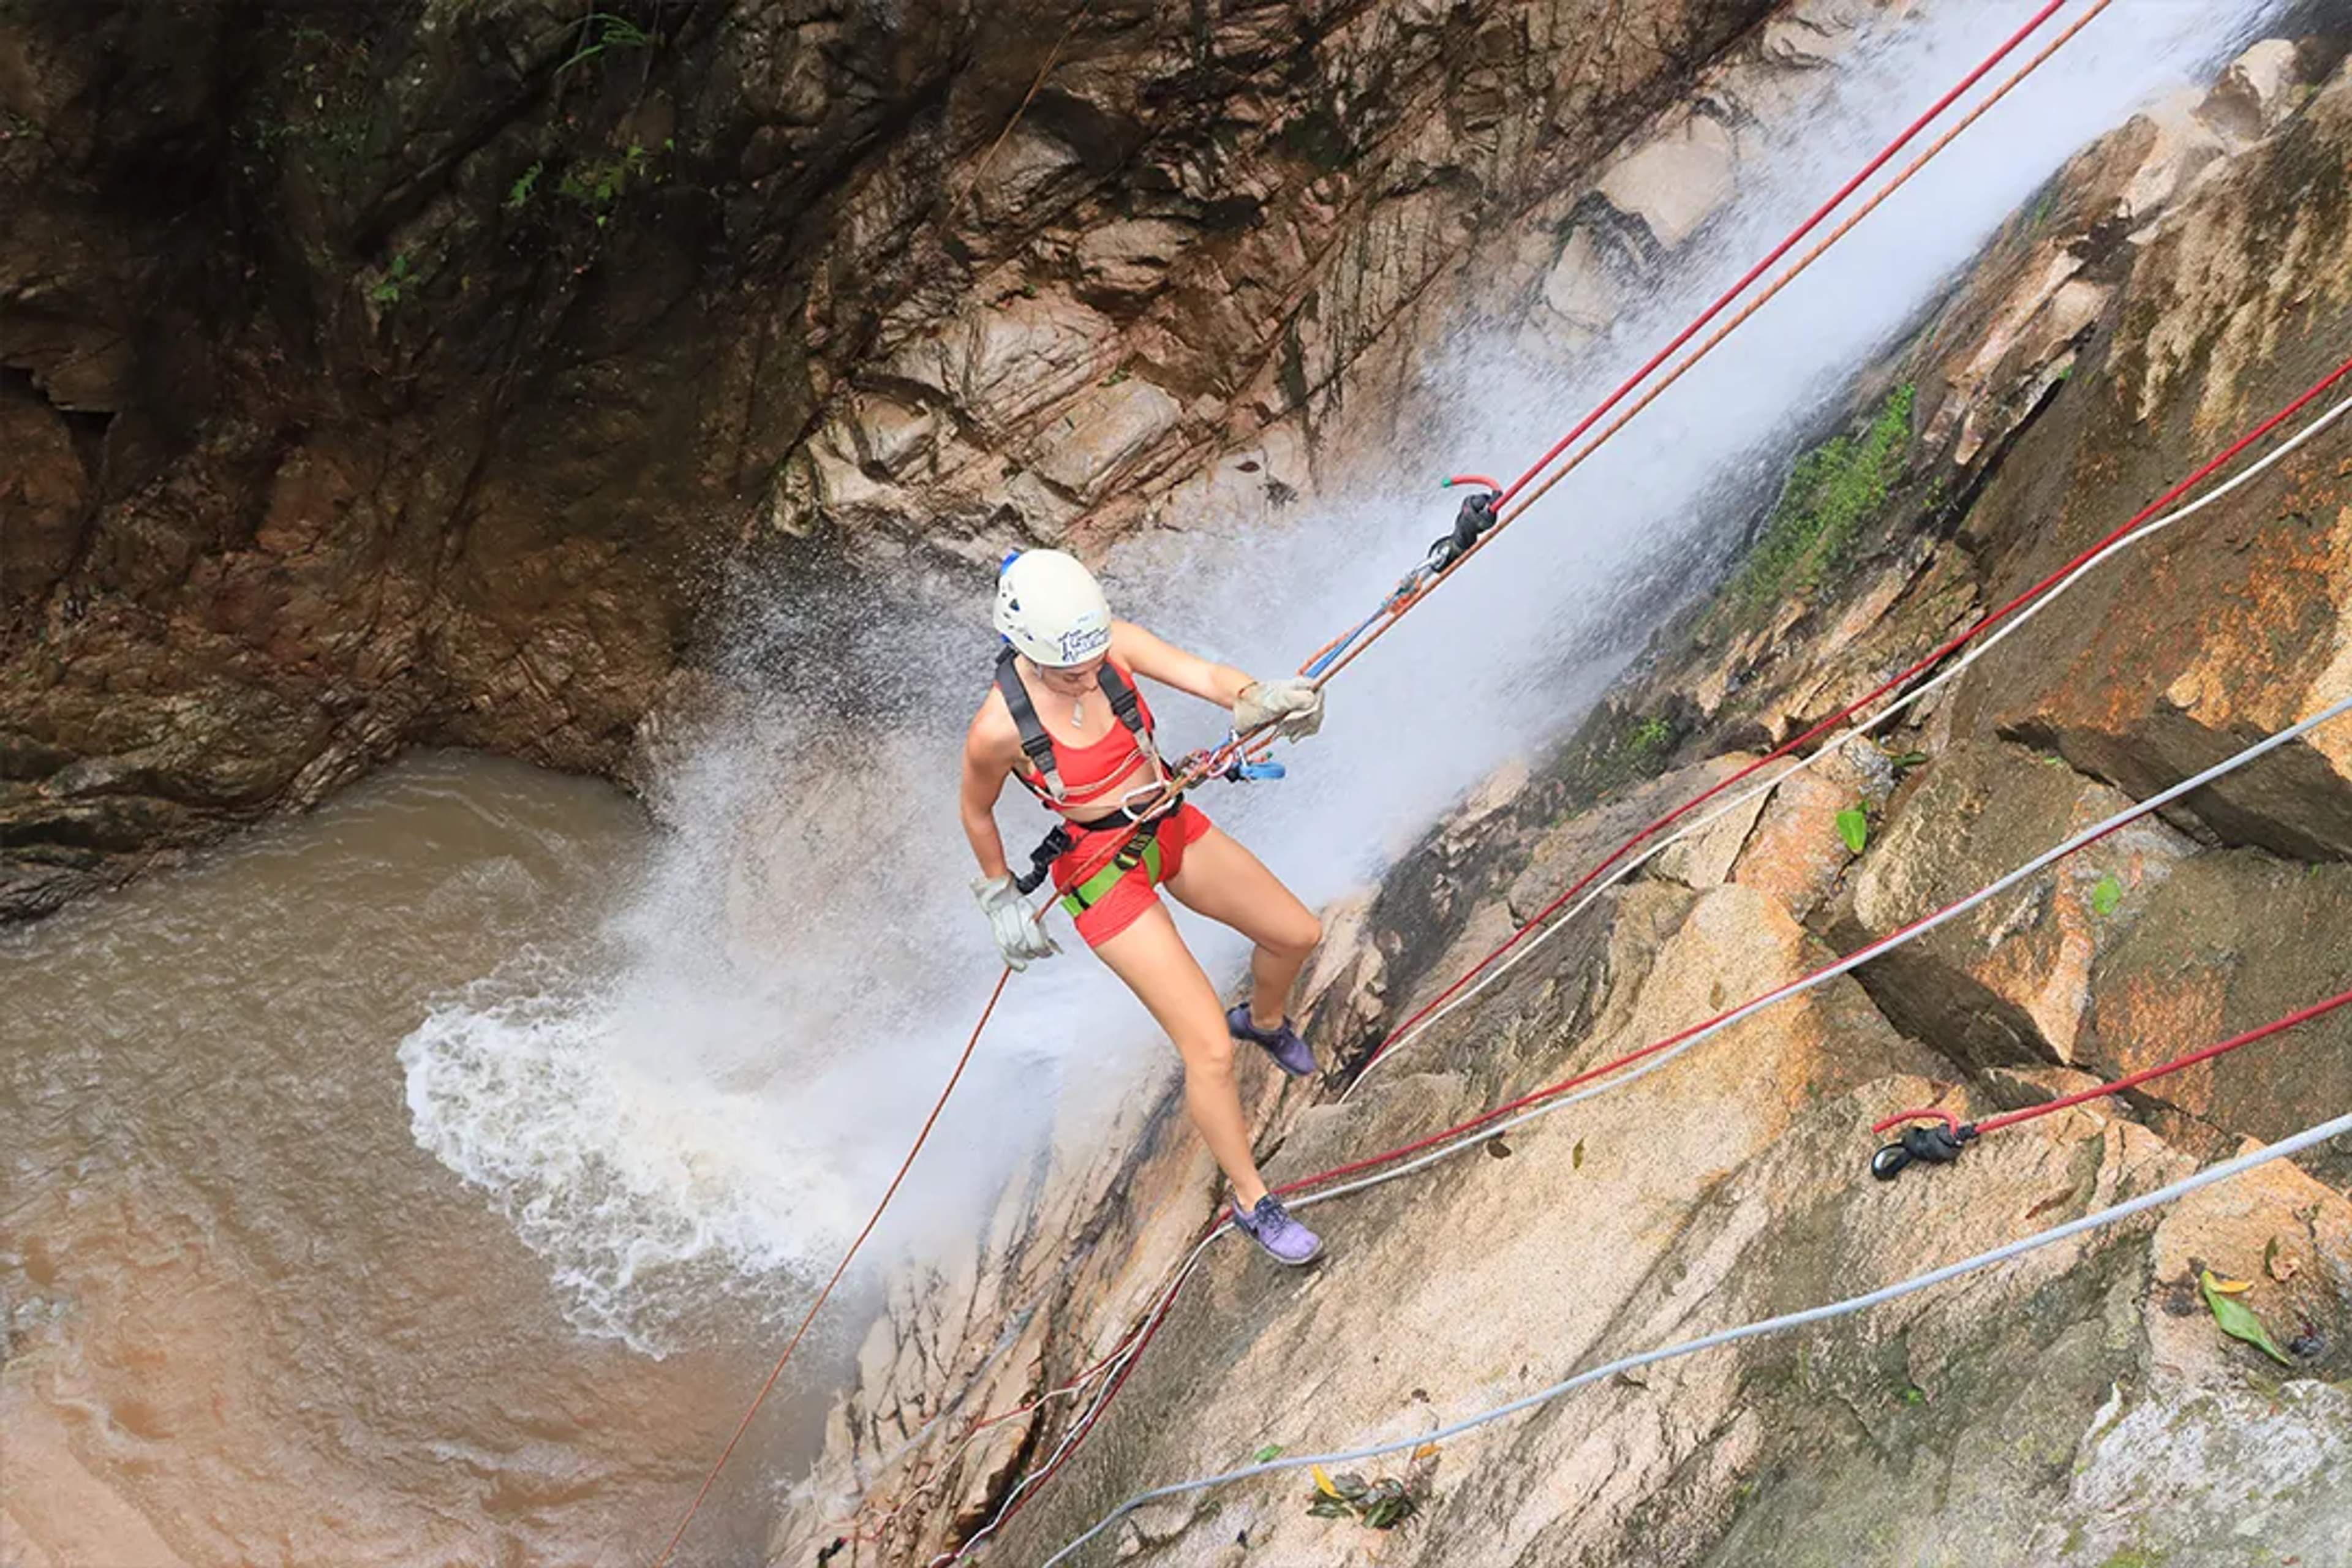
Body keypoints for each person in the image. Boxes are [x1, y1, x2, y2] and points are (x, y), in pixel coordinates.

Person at [959, 549, 1331, 1265]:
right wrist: (999, 893)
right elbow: (977, 811)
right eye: (1071, 669)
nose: (1089, 674)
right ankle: (1253, 1201)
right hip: (1102, 874)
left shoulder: (1112, 647)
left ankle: (1265, 1018)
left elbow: (1204, 675)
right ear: (1027, 651)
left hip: (1166, 823)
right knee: (1207, 1050)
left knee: (1297, 932)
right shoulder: (997, 730)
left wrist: (1260, 695)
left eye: (1093, 657)